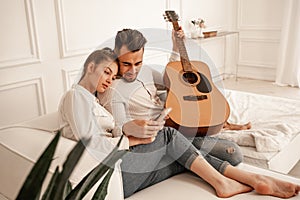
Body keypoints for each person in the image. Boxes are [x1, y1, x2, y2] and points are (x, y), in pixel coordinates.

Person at [96, 29, 300, 198]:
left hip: (174, 132)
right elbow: (120, 130)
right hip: (151, 143)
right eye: (126, 64)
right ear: (116, 56)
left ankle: (252, 178)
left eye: (137, 63)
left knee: (233, 152)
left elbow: (175, 76)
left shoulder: (147, 71)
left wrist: (177, 48)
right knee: (193, 146)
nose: (133, 70)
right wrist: (145, 126)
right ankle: (248, 180)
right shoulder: (112, 88)